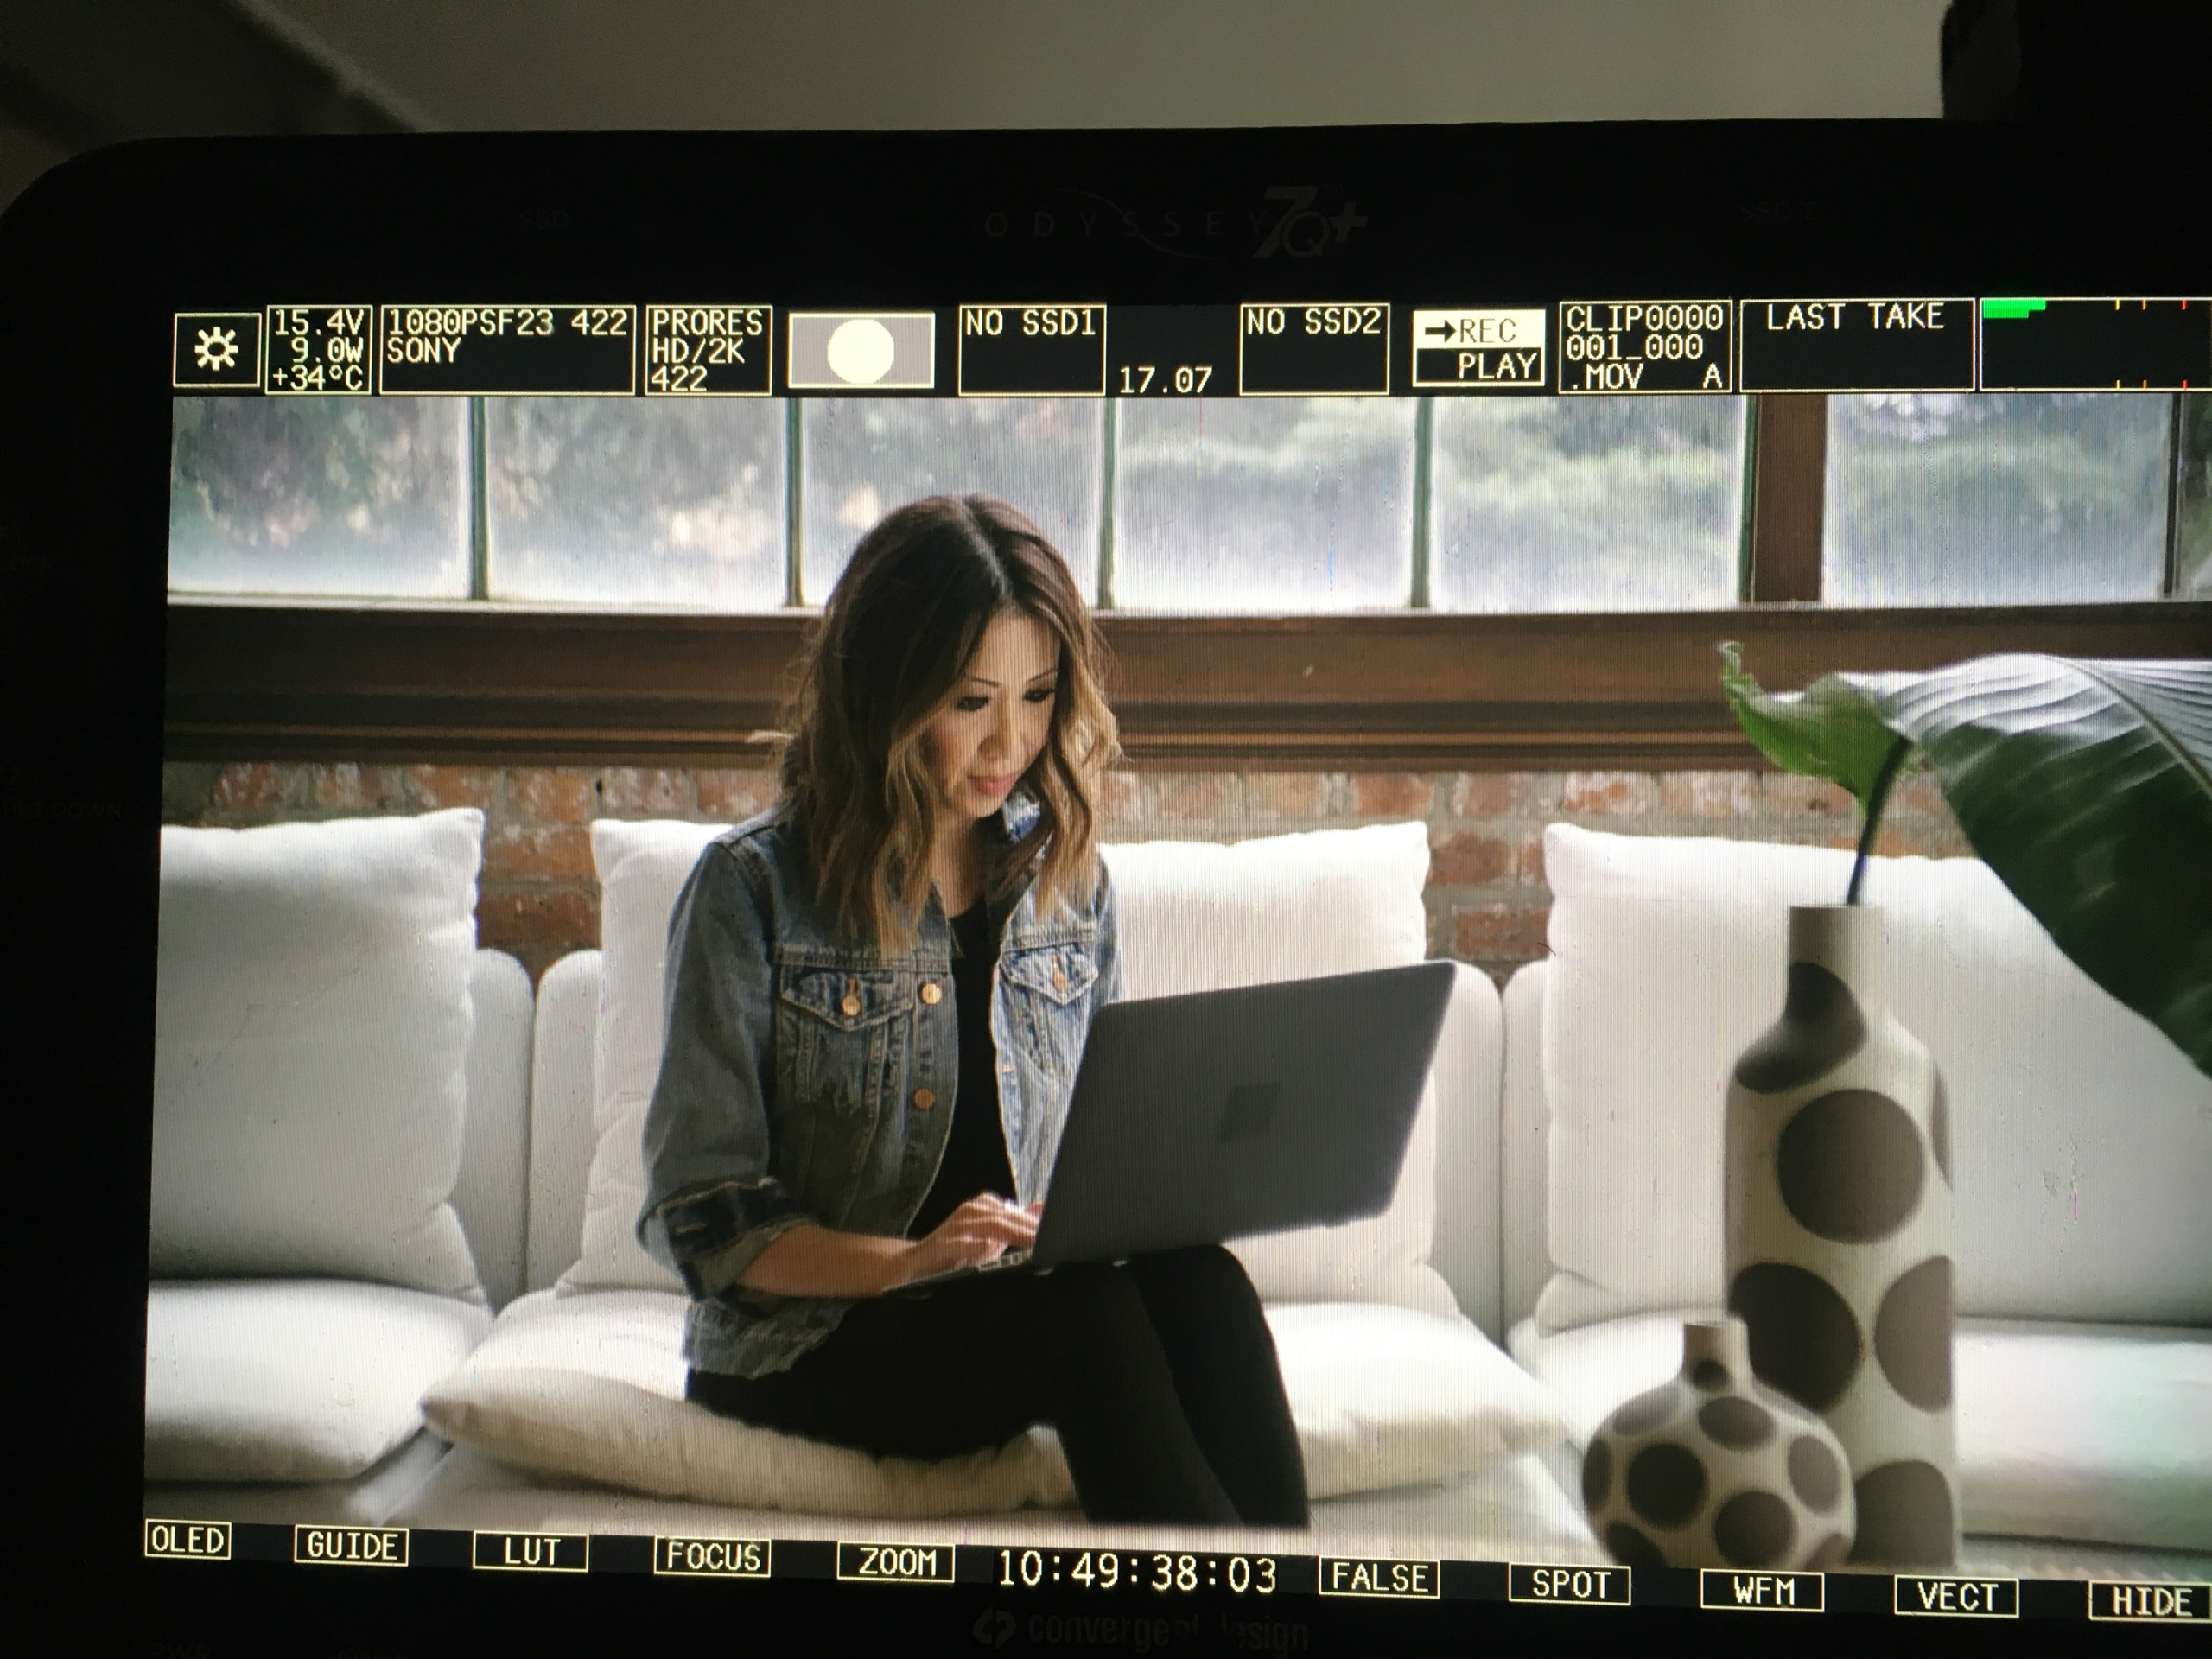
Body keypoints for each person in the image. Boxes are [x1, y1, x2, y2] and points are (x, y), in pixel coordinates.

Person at [638, 494, 1308, 1528]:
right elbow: (704, 1217)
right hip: (808, 1342)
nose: (1011, 741)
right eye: (969, 702)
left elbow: (1099, 1153)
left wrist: (1150, 1199)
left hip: (1008, 1310)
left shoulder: (1066, 885)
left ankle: (1291, 1598)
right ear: (885, 694)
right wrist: (910, 1264)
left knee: (1203, 1282)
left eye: (1037, 696)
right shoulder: (751, 890)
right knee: (1083, 1318)